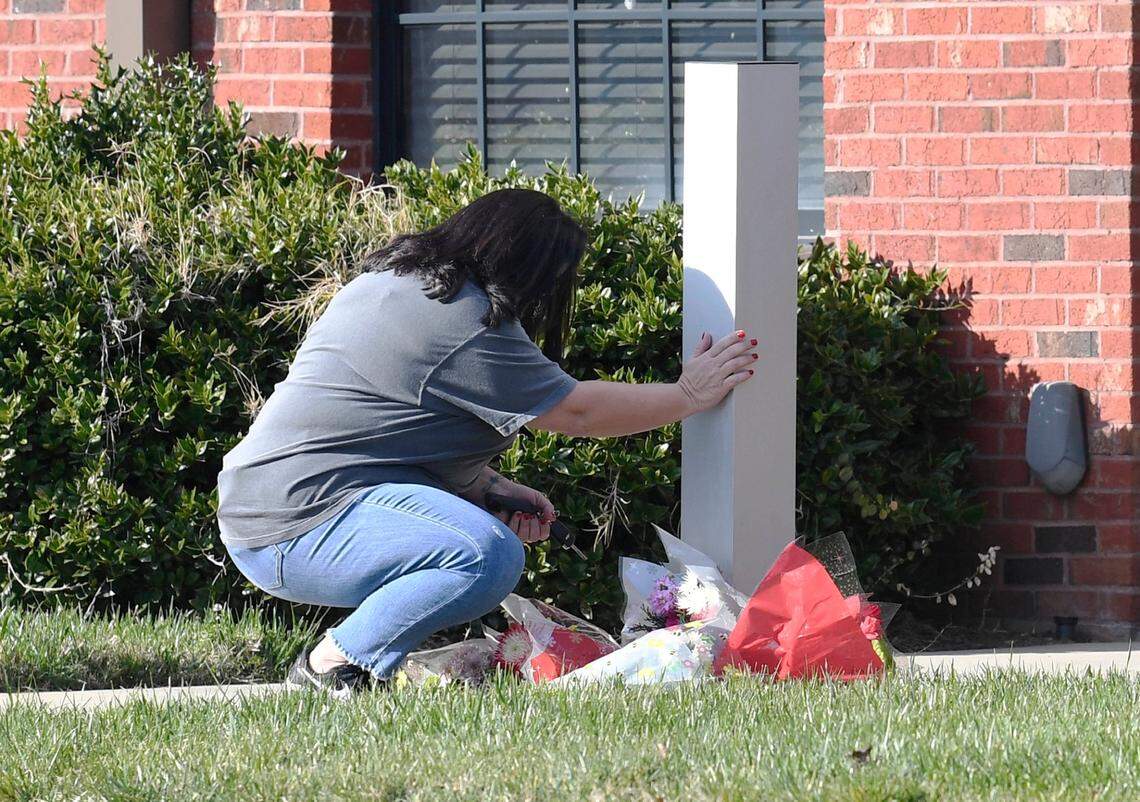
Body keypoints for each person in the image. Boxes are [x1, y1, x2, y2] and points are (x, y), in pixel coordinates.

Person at [217, 188, 758, 696]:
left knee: (480, 542)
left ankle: (361, 654)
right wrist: (689, 393)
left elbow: (376, 428)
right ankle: (333, 664)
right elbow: (579, 410)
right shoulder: (465, 320)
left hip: (270, 511)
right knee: (485, 554)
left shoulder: (389, 284)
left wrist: (487, 486)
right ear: (530, 269)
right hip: (297, 527)